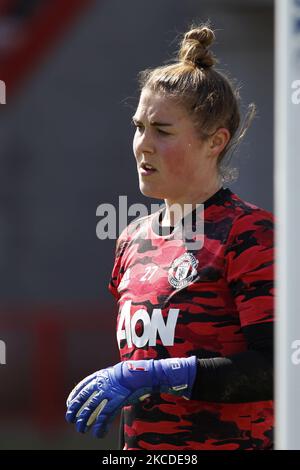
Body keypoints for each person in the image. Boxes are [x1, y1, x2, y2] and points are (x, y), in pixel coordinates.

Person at [66, 23, 274, 450]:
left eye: (162, 131)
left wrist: (162, 374)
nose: (143, 145)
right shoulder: (132, 240)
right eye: (138, 126)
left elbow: (277, 368)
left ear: (215, 141)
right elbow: (138, 383)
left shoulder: (251, 234)